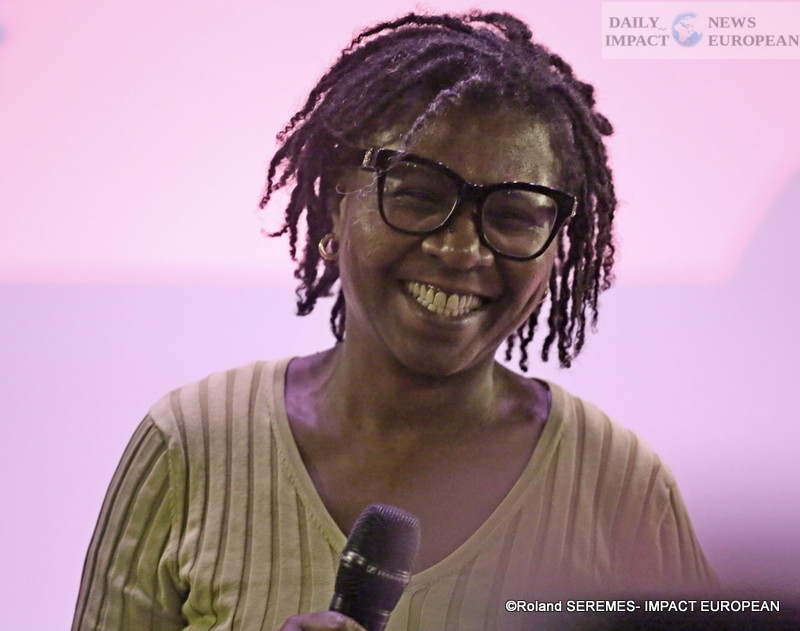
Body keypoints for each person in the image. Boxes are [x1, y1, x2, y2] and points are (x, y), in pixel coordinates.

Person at [71, 11, 716, 631]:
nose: (461, 250)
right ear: (335, 203)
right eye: (418, 197)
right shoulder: (191, 444)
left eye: (514, 216)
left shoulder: (621, 488)